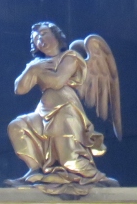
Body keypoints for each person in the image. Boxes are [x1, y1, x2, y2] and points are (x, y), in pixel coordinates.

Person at [7, 22, 115, 188]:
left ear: (56, 35)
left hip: (65, 110)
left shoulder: (70, 57)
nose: (40, 39)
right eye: (35, 38)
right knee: (17, 126)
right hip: (44, 111)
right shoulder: (37, 65)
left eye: (43, 33)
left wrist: (37, 71)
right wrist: (32, 69)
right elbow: (19, 89)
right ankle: (35, 170)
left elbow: (58, 81)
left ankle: (97, 178)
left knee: (70, 160)